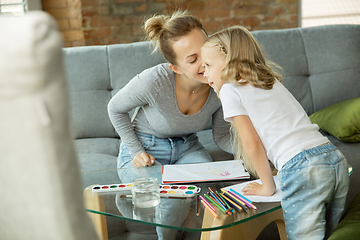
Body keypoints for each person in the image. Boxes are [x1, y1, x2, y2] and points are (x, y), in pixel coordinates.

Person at [201, 25, 349, 240]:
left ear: (229, 61)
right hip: (333, 158)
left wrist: (267, 185)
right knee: (332, 235)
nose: (204, 73)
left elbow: (252, 143)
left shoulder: (229, 90)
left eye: (208, 65)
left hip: (301, 168)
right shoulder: (267, 79)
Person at [107, 10, 234, 240]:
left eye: (205, 49)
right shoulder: (154, 81)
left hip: (188, 147)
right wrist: (136, 151)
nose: (204, 62)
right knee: (174, 195)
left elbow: (222, 136)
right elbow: (115, 108)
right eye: (193, 59)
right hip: (146, 150)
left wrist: (255, 152)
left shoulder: (220, 81)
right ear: (175, 68)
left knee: (206, 190)